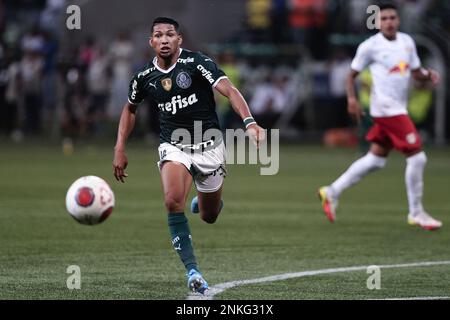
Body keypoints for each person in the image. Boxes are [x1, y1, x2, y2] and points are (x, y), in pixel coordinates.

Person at [112, 17, 264, 294]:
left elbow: (229, 90)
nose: (165, 39)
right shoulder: (144, 77)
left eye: (170, 34)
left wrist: (250, 122)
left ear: (179, 40)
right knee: (172, 201)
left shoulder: (198, 63)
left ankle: (205, 202)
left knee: (208, 216)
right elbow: (129, 109)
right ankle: (193, 271)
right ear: (152, 42)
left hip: (210, 146)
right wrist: (119, 148)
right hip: (174, 146)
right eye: (159, 35)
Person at [318, 3, 442, 230]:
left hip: (397, 108)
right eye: (384, 18)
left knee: (375, 159)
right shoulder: (370, 46)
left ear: (398, 20)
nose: (388, 22)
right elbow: (351, 75)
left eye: (392, 17)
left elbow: (416, 72)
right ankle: (417, 213)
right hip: (386, 110)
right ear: (377, 22)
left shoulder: (407, 42)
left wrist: (428, 74)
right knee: (418, 158)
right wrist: (352, 100)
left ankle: (331, 191)